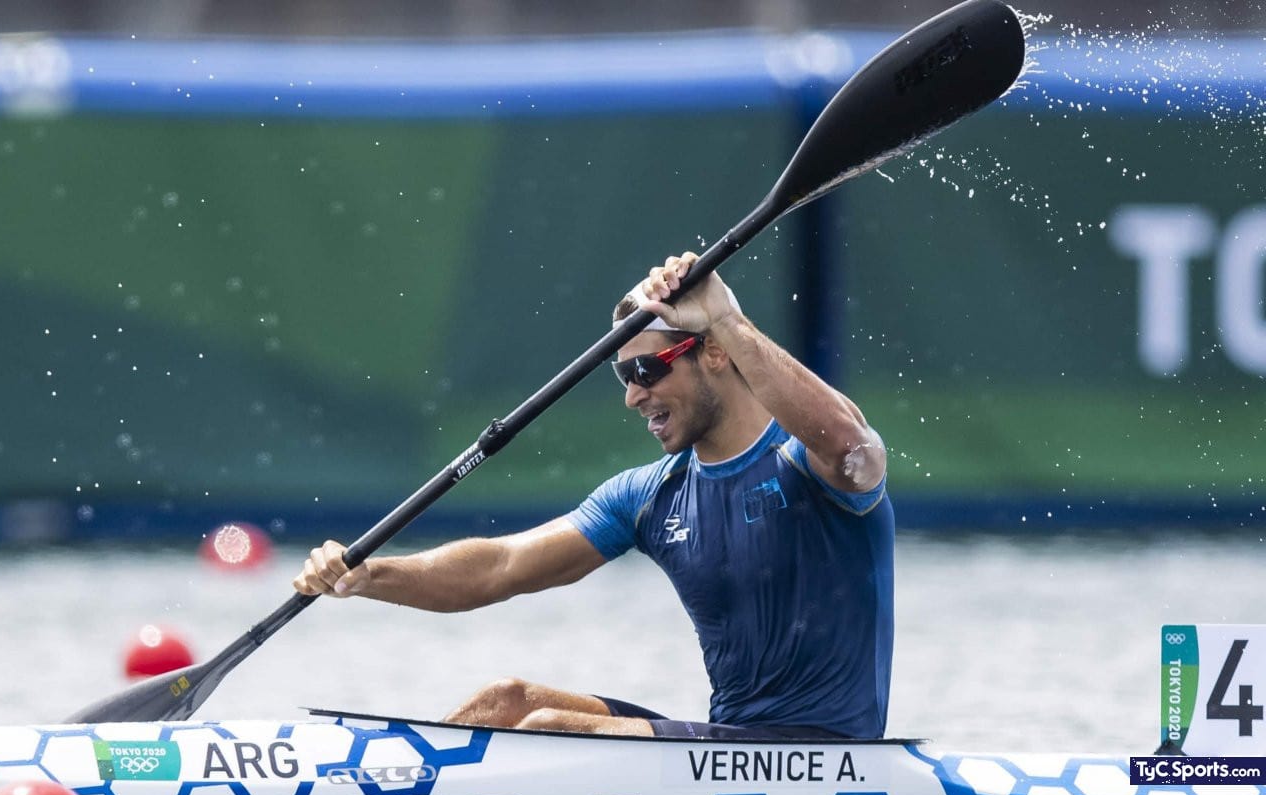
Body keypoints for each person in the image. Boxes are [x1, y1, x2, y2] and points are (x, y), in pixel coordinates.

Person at [293, 252, 893, 740]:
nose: (634, 397)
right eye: (622, 377)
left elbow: (851, 448)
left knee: (551, 728)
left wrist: (727, 319)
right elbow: (501, 567)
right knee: (506, 702)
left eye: (647, 371)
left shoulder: (808, 461)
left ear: (714, 354)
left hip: (828, 751)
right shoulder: (650, 496)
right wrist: (370, 575)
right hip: (729, 742)